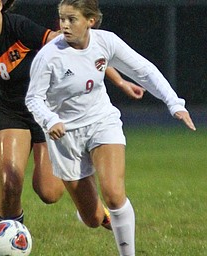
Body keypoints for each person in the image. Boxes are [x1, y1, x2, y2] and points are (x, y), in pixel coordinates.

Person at [0, 0, 144, 227]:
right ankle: (10, 236)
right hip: (13, 112)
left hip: (47, 112)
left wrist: (119, 80)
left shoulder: (20, 28)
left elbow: (78, 48)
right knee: (9, 183)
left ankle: (92, 204)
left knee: (49, 192)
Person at [25, 0, 196, 255]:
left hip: (101, 121)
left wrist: (174, 103)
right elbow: (33, 98)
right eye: (62, 19)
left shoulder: (106, 42)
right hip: (65, 135)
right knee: (93, 218)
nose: (64, 26)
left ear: (90, 21)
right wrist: (50, 120)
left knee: (115, 195)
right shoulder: (49, 56)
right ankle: (92, 213)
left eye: (72, 19)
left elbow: (143, 70)